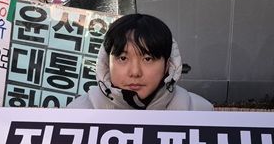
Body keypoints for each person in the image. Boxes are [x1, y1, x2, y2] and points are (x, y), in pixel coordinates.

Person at [66, 13, 213, 111]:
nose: (135, 72)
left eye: (148, 59)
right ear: (106, 62)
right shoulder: (77, 113)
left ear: (168, 64)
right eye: (123, 58)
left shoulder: (200, 111)